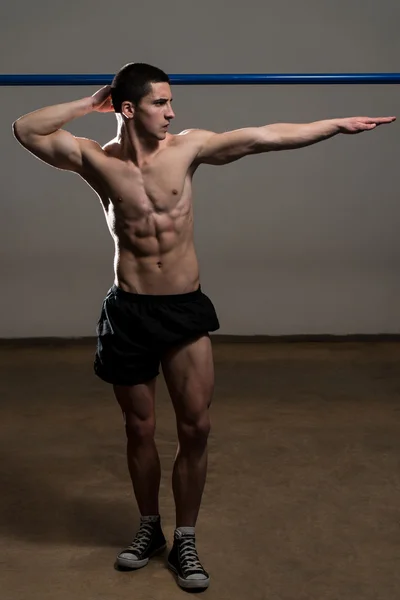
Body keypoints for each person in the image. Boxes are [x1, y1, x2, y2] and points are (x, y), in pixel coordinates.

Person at [12, 62, 395, 590]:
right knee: (139, 429)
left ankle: (185, 539)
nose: (172, 113)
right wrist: (90, 102)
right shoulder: (95, 159)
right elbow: (26, 129)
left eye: (171, 103)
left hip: (183, 310)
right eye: (159, 103)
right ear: (128, 109)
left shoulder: (188, 148)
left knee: (196, 428)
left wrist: (334, 124)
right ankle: (150, 528)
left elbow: (264, 137)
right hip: (128, 311)